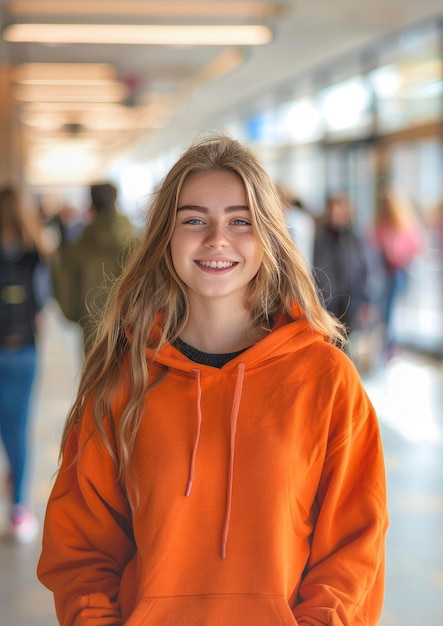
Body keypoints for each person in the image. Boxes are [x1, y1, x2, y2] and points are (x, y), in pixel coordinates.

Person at [37, 135, 388, 625]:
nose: (217, 239)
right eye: (195, 220)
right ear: (166, 237)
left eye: (240, 221)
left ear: (267, 234)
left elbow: (355, 548)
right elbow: (81, 547)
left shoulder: (326, 380)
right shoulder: (123, 380)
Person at [0, 187, 48, 542]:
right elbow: (43, 304)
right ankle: (19, 508)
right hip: (24, 350)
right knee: (17, 428)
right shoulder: (36, 253)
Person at [50, 182, 137, 355]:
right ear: (116, 202)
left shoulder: (77, 250)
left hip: (94, 336)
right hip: (137, 334)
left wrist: (83, 317)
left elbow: (67, 300)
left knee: (96, 380)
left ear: (91, 205)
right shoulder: (140, 245)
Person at [371, 187, 423, 358]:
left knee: (391, 311)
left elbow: (415, 246)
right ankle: (387, 346)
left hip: (398, 273)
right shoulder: (380, 224)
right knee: (384, 311)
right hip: (382, 273)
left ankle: (391, 347)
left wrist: (399, 257)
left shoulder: (404, 224)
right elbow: (372, 245)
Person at [313, 193, 371, 336]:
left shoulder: (354, 240)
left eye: (338, 208)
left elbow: (364, 270)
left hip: (351, 304)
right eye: (331, 208)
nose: (334, 212)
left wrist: (365, 300)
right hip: (326, 304)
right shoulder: (319, 239)